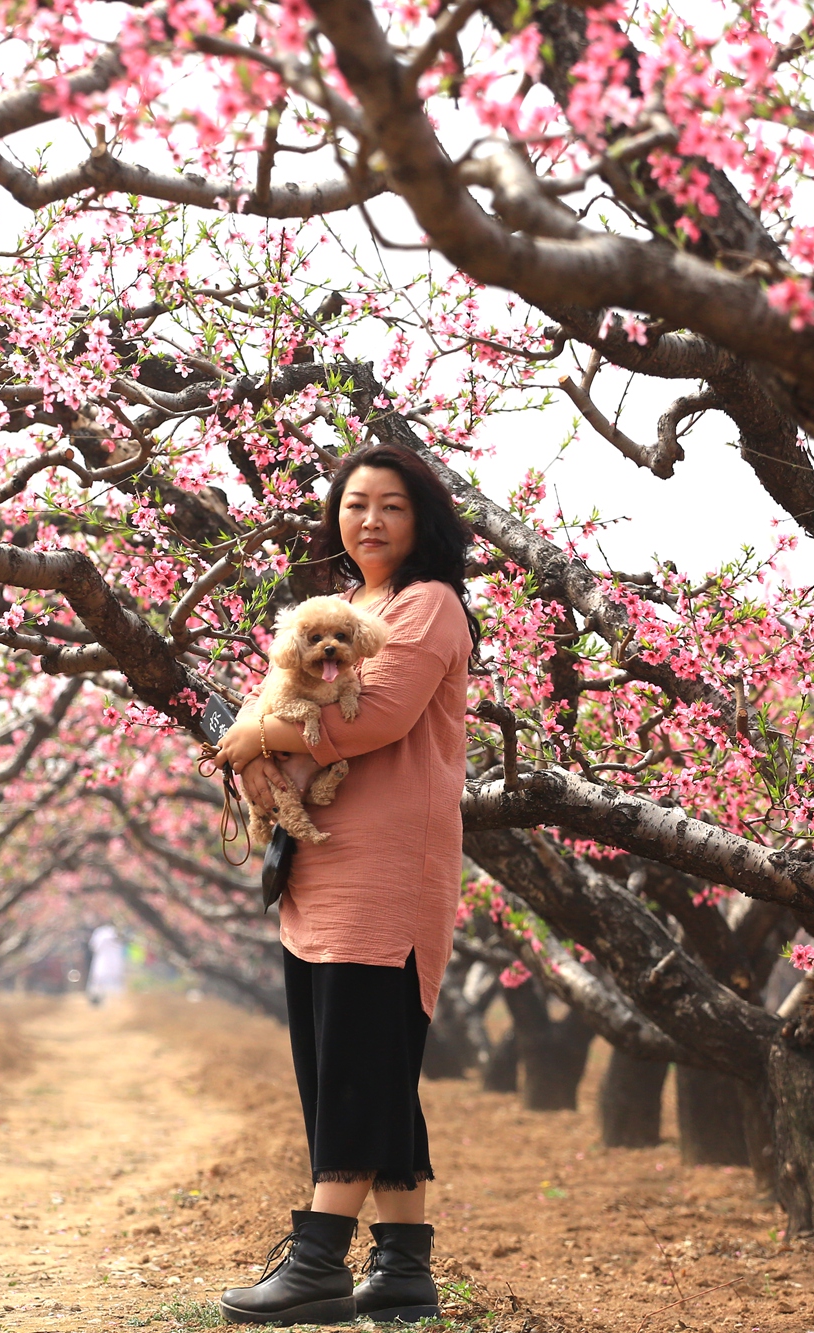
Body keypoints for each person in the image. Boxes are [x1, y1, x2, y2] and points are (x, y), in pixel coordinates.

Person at [213, 444, 479, 1326]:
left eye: (392, 506)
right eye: (356, 504)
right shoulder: (346, 607)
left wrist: (261, 741)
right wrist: (253, 740)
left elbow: (380, 716)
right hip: (319, 867)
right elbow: (259, 706)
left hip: (386, 872)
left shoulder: (427, 605)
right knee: (360, 1068)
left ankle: (319, 1261)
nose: (370, 520)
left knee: (357, 1069)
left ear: (423, 519)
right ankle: (403, 1268)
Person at [87, 924, 126, 1006]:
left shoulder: (105, 933)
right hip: (105, 961)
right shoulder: (101, 932)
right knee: (100, 982)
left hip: (111, 962)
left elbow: (94, 946)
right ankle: (97, 1000)